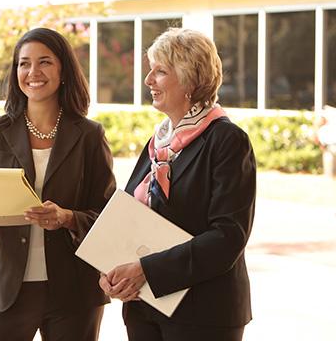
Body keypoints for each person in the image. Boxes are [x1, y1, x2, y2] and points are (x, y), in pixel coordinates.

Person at [99, 28, 256, 341]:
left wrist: (147, 270)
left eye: (160, 71)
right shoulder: (158, 141)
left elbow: (227, 236)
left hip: (204, 313)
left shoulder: (227, 141)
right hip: (144, 307)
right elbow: (130, 215)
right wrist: (111, 269)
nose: (148, 80)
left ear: (190, 79)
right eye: (150, 70)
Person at [0, 27, 116, 341]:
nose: (33, 72)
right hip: (5, 287)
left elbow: (108, 217)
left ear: (63, 71)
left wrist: (67, 217)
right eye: (24, 63)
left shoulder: (88, 136)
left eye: (45, 62)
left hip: (73, 291)